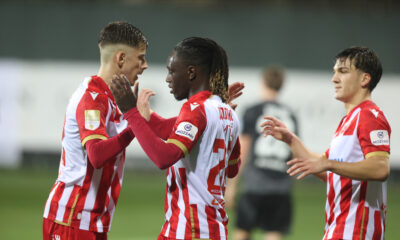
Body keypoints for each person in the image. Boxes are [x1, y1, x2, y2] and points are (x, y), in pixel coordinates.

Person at [110, 37, 242, 240]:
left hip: (189, 229)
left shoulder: (195, 110)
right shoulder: (228, 113)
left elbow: (164, 157)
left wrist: (130, 112)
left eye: (172, 71)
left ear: (191, 72)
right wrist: (141, 112)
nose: (167, 79)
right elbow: (232, 168)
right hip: (214, 230)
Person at [261, 47, 391, 240]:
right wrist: (291, 140)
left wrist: (329, 163)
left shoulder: (370, 117)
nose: (334, 78)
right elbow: (328, 171)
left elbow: (380, 168)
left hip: (356, 232)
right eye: (334, 71)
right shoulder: (348, 121)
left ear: (365, 79)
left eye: (343, 71)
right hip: (338, 228)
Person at [42, 21, 149, 240]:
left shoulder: (114, 98)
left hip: (92, 221)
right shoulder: (92, 98)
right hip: (71, 218)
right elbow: (97, 154)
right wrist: (134, 127)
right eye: (141, 58)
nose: (144, 65)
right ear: (121, 58)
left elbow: (159, 125)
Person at [225, 66, 298, 240]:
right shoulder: (290, 114)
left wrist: (232, 186)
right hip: (281, 187)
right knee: (273, 234)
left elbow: (242, 150)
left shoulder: (253, 111)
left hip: (255, 184)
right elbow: (295, 152)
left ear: (263, 82)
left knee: (242, 231)